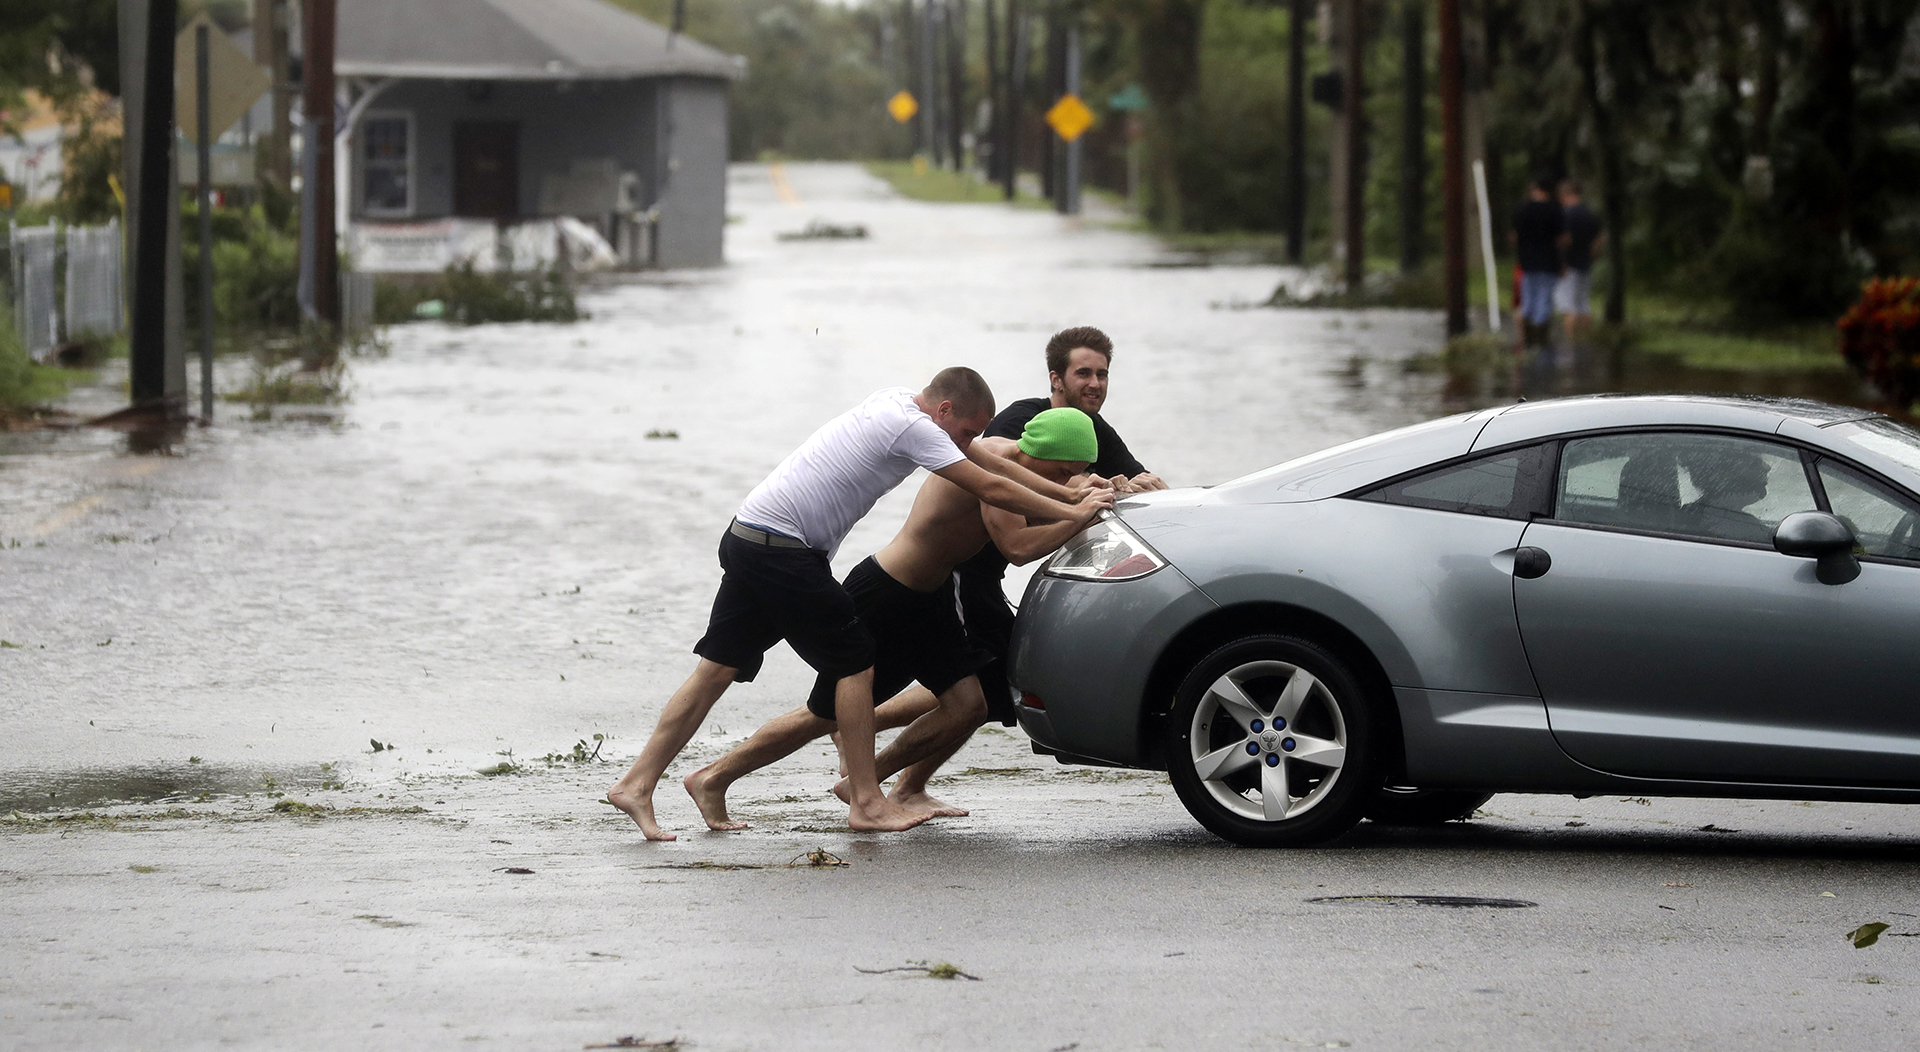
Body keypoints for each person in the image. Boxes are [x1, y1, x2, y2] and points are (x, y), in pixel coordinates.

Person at [606, 370, 1114, 840]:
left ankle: (640, 783)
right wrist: (1076, 510)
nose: (967, 444)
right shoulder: (913, 429)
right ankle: (865, 801)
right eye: (963, 433)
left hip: (756, 535)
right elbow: (994, 486)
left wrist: (1073, 499)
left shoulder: (898, 404)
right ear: (940, 411)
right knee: (851, 667)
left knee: (716, 671)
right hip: (785, 549)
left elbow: (993, 467)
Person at [862, 326, 1168, 812]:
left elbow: (1124, 475)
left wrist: (1132, 482)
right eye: (1082, 373)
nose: (1094, 383)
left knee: (985, 687)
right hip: (961, 573)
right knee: (987, 688)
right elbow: (1006, 493)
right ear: (1057, 379)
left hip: (984, 577)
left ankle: (884, 758)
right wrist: (1076, 508)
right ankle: (865, 748)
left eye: (1102, 374)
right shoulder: (1027, 423)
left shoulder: (1089, 429)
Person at [1511, 178, 1563, 350]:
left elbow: (1514, 237)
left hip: (1528, 263)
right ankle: (1540, 339)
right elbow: (1563, 239)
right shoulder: (1555, 211)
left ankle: (1526, 338)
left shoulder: (1523, 211)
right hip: (1549, 263)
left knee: (1528, 300)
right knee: (1544, 300)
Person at [1555, 180, 1605, 347]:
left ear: (1565, 194)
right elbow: (1599, 241)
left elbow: (1564, 241)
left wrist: (1560, 261)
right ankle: (1585, 342)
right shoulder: (1590, 215)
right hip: (1585, 264)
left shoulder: (1566, 216)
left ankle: (1569, 344)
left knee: (1569, 307)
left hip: (1569, 265)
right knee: (1583, 305)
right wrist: (1592, 257)